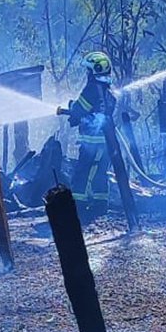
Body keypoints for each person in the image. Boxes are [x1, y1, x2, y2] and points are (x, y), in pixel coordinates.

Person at [66, 51, 117, 222]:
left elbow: (80, 109)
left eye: (88, 71)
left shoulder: (92, 89)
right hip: (103, 144)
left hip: (93, 144)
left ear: (95, 71)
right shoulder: (106, 90)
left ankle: (79, 207)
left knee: (84, 173)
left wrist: (72, 107)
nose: (87, 74)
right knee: (99, 174)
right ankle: (100, 205)